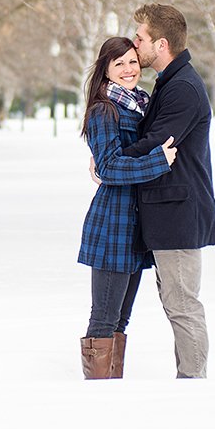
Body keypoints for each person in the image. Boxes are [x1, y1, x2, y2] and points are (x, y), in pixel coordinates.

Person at [122, 3, 215, 379]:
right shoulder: (170, 82)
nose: (135, 44)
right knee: (175, 301)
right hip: (169, 213)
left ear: (161, 44)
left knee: (182, 304)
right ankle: (190, 380)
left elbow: (156, 142)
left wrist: (111, 159)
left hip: (179, 214)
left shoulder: (183, 88)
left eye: (140, 38)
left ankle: (193, 382)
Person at [79, 36, 178, 380]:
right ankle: (98, 388)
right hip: (112, 227)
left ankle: (112, 387)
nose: (128, 69)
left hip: (134, 227)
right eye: (118, 63)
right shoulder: (104, 110)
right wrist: (157, 161)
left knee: (121, 319)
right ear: (105, 70)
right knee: (104, 318)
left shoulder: (138, 106)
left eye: (133, 61)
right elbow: (109, 167)